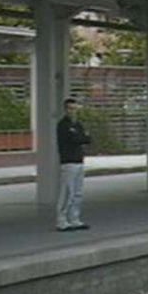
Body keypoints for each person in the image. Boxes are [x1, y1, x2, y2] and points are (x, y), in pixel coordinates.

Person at [56, 98, 92, 232]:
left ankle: (74, 219)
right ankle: (62, 220)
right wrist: (81, 138)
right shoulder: (62, 125)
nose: (72, 111)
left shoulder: (78, 125)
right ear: (65, 109)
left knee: (78, 192)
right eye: (70, 108)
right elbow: (75, 139)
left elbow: (87, 139)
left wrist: (81, 138)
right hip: (68, 162)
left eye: (75, 108)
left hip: (79, 161)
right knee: (67, 192)